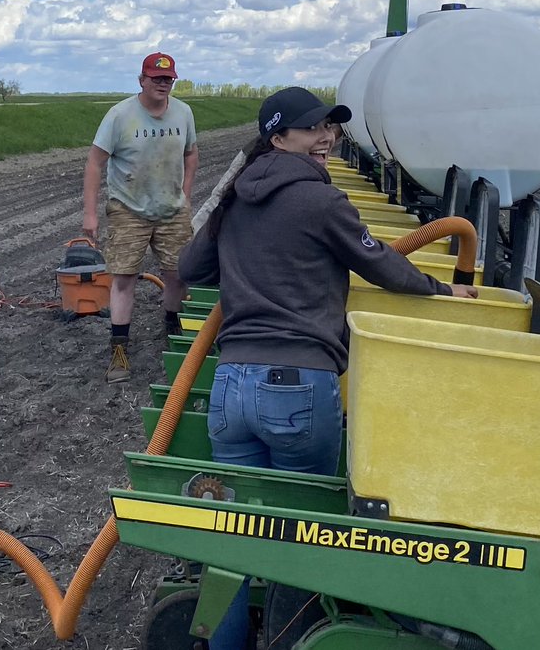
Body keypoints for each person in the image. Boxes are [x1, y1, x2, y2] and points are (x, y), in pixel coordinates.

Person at [177, 86, 478, 649]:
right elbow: (381, 265)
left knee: (232, 535)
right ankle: (293, 640)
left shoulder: (240, 198)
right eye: (314, 128)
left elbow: (190, 267)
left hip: (231, 387)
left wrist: (221, 204)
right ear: (278, 137)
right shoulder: (320, 201)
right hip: (296, 385)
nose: (328, 137)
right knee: (308, 541)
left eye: (331, 128)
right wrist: (443, 291)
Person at [82, 52, 199, 383]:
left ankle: (171, 323)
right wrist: (90, 213)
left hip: (171, 209)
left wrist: (186, 196)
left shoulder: (184, 113)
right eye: (156, 78)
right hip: (128, 209)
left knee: (178, 274)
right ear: (142, 80)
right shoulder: (120, 116)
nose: (163, 84)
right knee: (124, 279)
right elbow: (94, 163)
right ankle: (119, 349)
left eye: (168, 79)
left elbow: (191, 154)